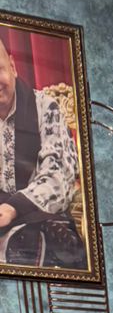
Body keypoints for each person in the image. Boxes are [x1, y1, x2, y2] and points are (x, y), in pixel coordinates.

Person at [0, 32, 85, 269]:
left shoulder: (44, 108)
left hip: (37, 214)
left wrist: (13, 208)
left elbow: (61, 175)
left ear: (14, 66)